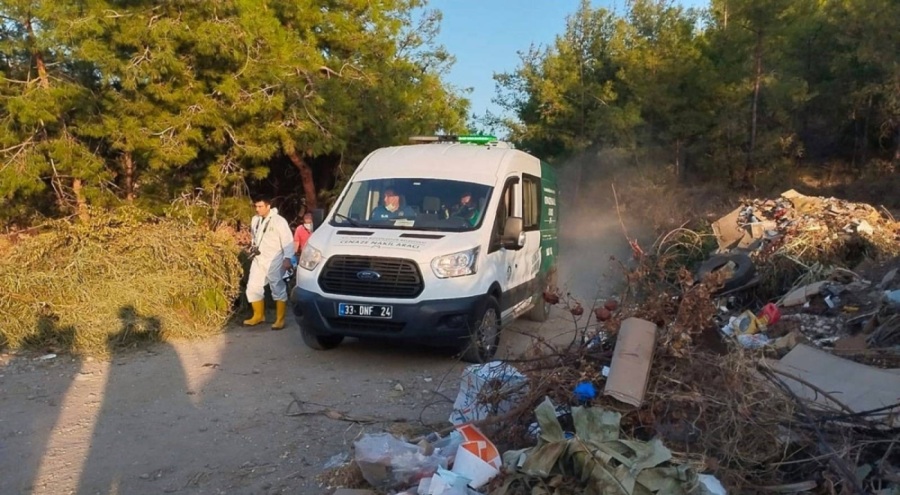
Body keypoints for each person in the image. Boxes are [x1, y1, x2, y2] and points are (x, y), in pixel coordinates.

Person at [244, 195, 295, 330]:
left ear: (268, 206)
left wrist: (288, 258)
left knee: (277, 287)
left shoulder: (279, 221)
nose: (257, 209)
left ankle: (280, 319)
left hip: (275, 259)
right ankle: (258, 315)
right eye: (256, 206)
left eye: (260, 206)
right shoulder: (255, 220)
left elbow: (287, 240)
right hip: (259, 258)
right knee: (253, 287)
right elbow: (255, 237)